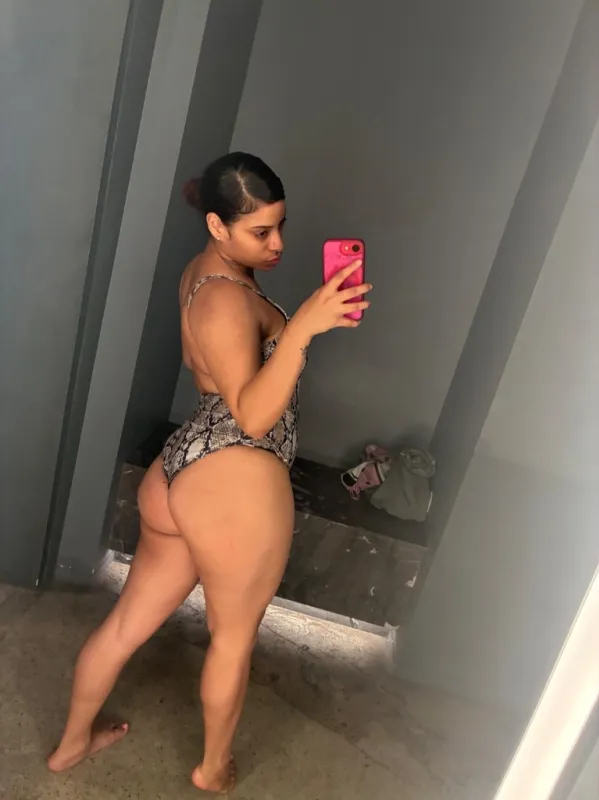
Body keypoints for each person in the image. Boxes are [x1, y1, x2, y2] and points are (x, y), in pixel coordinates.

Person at [47, 152, 371, 793]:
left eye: (281, 226)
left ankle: (71, 745)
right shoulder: (225, 299)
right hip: (234, 474)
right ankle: (212, 768)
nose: (277, 245)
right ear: (218, 225)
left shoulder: (210, 273)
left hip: (183, 469)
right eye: (260, 232)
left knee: (126, 626)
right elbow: (252, 415)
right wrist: (302, 329)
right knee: (232, 640)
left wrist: (301, 324)